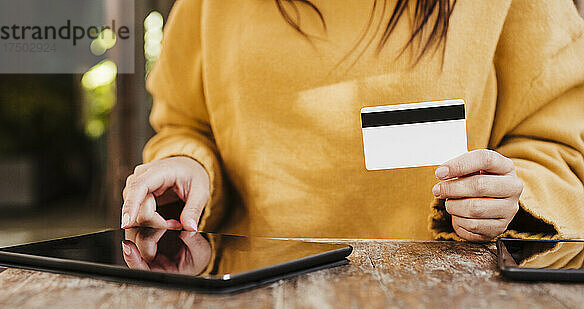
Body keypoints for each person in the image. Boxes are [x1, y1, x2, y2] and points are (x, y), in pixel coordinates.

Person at [121, 0, 584, 241]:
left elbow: (562, 145)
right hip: (251, 307)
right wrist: (189, 166)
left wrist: (511, 198)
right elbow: (184, 124)